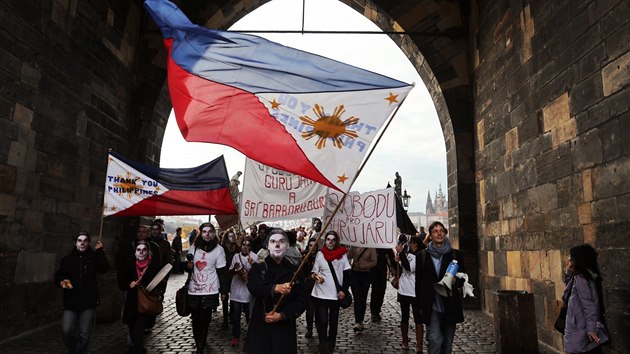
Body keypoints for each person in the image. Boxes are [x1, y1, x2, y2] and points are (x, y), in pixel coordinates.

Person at [245, 228, 308, 354]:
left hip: (284, 331)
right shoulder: (259, 268)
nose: (277, 245)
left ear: (287, 246)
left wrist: (282, 315)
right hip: (260, 329)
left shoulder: (295, 271)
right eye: (273, 241)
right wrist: (275, 288)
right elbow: (253, 286)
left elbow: (303, 300)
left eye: (281, 241)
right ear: (268, 246)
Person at [54, 231, 109, 354]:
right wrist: (62, 282)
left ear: (88, 243)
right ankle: (76, 351)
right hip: (71, 301)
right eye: (80, 240)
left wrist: (100, 252)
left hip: (88, 301)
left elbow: (104, 268)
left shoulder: (94, 258)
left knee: (84, 333)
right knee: (67, 330)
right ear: (75, 243)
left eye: (85, 241)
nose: (82, 243)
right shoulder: (67, 259)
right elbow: (58, 276)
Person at [415, 221, 465, 354]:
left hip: (450, 304)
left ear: (445, 233)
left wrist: (456, 281)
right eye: (435, 231)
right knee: (435, 339)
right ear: (430, 235)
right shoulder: (422, 256)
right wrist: (418, 306)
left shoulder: (455, 255)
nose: (439, 233)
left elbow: (463, 278)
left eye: (441, 231)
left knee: (447, 344)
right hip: (431, 305)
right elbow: (418, 283)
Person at [186, 222, 229, 354]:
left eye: (210, 231)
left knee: (205, 319)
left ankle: (201, 345)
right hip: (194, 289)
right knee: (195, 318)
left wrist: (223, 291)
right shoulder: (193, 248)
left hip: (210, 289)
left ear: (213, 233)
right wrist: (187, 266)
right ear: (200, 233)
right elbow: (187, 266)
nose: (207, 234)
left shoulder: (218, 250)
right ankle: (197, 339)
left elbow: (222, 272)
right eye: (204, 231)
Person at [310, 231, 351, 354]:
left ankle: (331, 343)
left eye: (333, 239)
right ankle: (323, 344)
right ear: (325, 240)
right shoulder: (320, 254)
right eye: (328, 239)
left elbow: (348, 274)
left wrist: (344, 290)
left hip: (336, 294)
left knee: (333, 321)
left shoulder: (342, 254)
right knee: (322, 320)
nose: (330, 242)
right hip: (321, 293)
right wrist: (316, 277)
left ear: (336, 241)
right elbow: (314, 272)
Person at [563, 244, 608, 354]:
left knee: (583, 349)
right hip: (580, 323)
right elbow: (569, 288)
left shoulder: (581, 278)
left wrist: (591, 328)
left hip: (581, 325)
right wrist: (569, 271)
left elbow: (589, 304)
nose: (569, 259)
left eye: (571, 257)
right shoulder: (583, 275)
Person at [118, 239, 161, 354]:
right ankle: (139, 350)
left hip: (146, 303)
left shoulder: (154, 266)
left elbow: (161, 281)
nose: (141, 252)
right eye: (139, 250)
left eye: (144, 250)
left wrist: (153, 288)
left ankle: (137, 350)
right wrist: (128, 284)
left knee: (138, 331)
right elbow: (121, 281)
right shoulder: (129, 264)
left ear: (148, 252)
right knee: (132, 331)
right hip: (132, 303)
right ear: (135, 252)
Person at [228, 237, 257, 346]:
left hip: (248, 292)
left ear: (251, 246)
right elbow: (229, 272)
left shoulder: (254, 256)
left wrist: (253, 264)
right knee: (236, 315)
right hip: (236, 291)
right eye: (244, 244)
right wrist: (235, 269)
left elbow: (260, 274)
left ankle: (250, 335)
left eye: (248, 245)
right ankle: (236, 336)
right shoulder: (236, 256)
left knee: (249, 315)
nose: (245, 247)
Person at [396, 237, 423, 353]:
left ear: (415, 245)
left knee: (418, 317)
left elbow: (409, 267)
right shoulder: (408, 254)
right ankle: (405, 340)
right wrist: (398, 259)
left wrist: (401, 253)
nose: (409, 245)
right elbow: (402, 266)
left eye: (410, 243)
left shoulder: (419, 256)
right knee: (404, 316)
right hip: (403, 290)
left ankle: (419, 344)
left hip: (414, 291)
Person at [347, 245, 377, 331]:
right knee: (357, 298)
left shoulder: (371, 247)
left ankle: (361, 320)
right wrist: (352, 248)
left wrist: (363, 265)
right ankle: (357, 321)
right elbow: (349, 256)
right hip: (355, 273)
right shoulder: (355, 245)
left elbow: (374, 261)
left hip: (365, 275)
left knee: (363, 298)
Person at [221, 230, 239, 330]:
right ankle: (225, 319)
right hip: (225, 275)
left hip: (234, 275)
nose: (231, 238)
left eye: (233, 236)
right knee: (224, 297)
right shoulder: (222, 248)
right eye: (229, 236)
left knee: (233, 297)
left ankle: (231, 315)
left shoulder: (237, 248)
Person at [303, 237, 319, 339]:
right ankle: (309, 329)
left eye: (314, 245)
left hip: (319, 287)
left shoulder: (320, 257)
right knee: (309, 310)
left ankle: (319, 327)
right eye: (310, 245)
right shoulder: (305, 258)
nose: (312, 247)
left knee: (318, 310)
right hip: (308, 287)